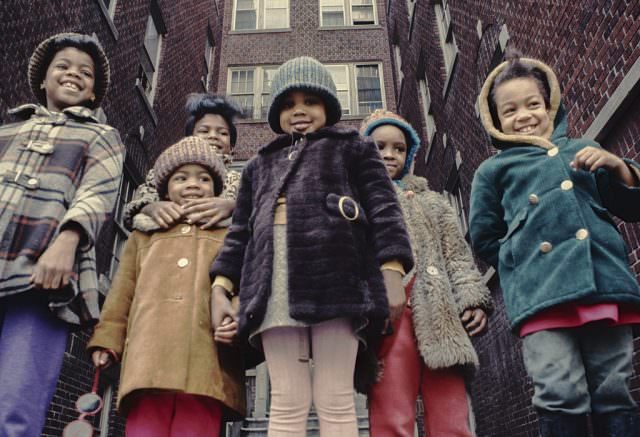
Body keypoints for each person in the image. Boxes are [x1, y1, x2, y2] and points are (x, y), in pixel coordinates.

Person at [210, 56, 413, 436]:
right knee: (286, 400)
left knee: (335, 396)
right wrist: (221, 287)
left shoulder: (354, 148)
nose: (299, 111)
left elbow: (386, 212)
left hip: (338, 282)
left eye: (310, 101)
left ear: (329, 107)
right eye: (288, 104)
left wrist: (392, 272)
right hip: (272, 289)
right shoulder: (258, 165)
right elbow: (239, 233)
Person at [469, 49, 640, 436]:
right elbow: (485, 237)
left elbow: (632, 206)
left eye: (533, 104)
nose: (524, 116)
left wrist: (619, 166)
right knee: (559, 390)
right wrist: (526, 264)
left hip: (602, 285)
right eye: (510, 110)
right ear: (496, 121)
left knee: (613, 388)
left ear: (551, 105)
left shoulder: (583, 148)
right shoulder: (493, 171)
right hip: (541, 297)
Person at [0, 32, 124, 436]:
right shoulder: (8, 130)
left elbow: (97, 195)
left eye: (85, 72)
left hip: (43, 280)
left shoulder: (101, 137)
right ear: (43, 78)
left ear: (94, 91)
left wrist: (66, 242)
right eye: (63, 67)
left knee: (16, 406)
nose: (74, 75)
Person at [88, 136, 245, 436]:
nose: (193, 185)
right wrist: (108, 340)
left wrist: (236, 315)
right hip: (148, 361)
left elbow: (242, 280)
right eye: (181, 178)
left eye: (203, 178)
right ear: (164, 187)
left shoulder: (228, 235)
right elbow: (122, 293)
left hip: (207, 364)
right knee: (145, 428)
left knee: (196, 427)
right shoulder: (144, 235)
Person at [360, 109, 492, 436]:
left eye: (399, 148)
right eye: (379, 146)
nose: (389, 154)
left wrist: (472, 300)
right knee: (391, 413)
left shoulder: (433, 202)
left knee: (451, 414)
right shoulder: (358, 202)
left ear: (409, 155)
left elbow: (458, 258)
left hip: (442, 315)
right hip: (390, 319)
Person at [122, 93, 242, 232]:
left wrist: (232, 207)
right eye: (204, 131)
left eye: (223, 133)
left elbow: (256, 212)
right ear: (189, 138)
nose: (213, 136)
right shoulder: (166, 171)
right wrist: (150, 208)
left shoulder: (238, 180)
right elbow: (138, 203)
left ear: (232, 146)